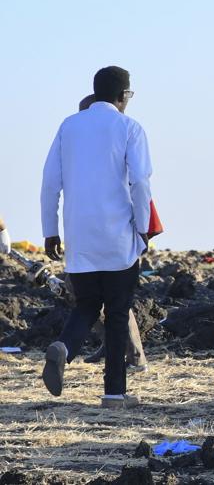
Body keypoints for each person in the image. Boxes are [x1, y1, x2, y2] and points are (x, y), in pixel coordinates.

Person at [40, 66, 152, 408]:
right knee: (118, 312)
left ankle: (66, 347)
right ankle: (114, 392)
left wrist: (50, 232)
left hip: (79, 235)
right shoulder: (129, 127)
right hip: (118, 236)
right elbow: (140, 183)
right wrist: (144, 228)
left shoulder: (68, 126)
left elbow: (49, 184)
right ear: (122, 96)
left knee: (87, 304)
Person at [75, 94, 155, 372]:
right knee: (111, 298)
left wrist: (141, 230)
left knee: (115, 299)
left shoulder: (116, 137)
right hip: (107, 232)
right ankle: (117, 350)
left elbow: (137, 184)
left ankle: (132, 356)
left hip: (117, 231)